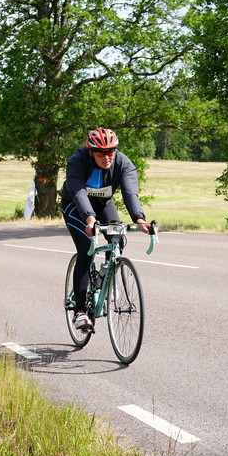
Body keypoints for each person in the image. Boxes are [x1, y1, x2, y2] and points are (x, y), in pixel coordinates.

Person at [59, 128, 150, 331]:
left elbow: (130, 193)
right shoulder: (78, 160)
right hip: (74, 204)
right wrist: (90, 219)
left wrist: (140, 218)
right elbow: (78, 191)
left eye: (111, 151)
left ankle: (107, 274)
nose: (107, 157)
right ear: (91, 152)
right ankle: (80, 311)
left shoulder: (123, 163)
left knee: (117, 239)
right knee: (86, 250)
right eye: (101, 153)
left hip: (102, 203)